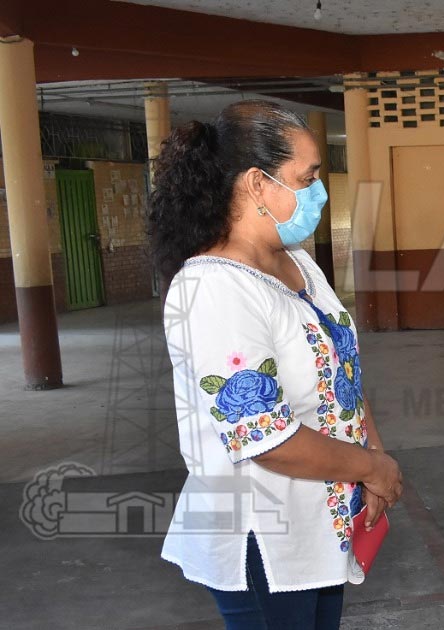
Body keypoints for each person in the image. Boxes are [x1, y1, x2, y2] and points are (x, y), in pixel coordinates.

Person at [150, 100, 403, 629]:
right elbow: (265, 437)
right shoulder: (212, 287)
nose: (319, 192)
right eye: (307, 178)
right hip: (263, 537)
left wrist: (373, 459)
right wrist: (371, 468)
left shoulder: (299, 263)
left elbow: (344, 373)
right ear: (257, 184)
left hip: (322, 523)